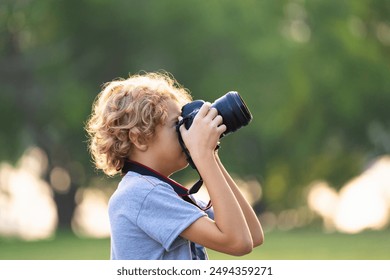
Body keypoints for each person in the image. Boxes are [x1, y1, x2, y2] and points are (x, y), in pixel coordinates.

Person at [85, 71, 264, 260]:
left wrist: (209, 154)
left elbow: (252, 235)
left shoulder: (161, 192)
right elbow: (238, 243)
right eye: (176, 124)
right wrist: (203, 154)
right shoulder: (142, 195)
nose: (185, 132)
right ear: (139, 138)